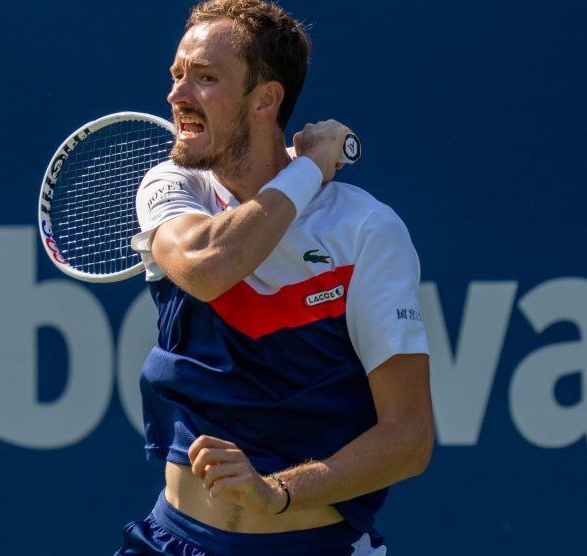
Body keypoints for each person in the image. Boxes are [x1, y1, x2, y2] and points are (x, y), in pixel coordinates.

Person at [117, 1, 433, 554]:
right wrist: (311, 166)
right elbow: (207, 267)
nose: (177, 95)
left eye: (206, 77)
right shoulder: (172, 185)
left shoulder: (365, 229)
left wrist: (277, 492)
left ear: (265, 100)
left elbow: (408, 440)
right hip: (173, 539)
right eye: (177, 74)